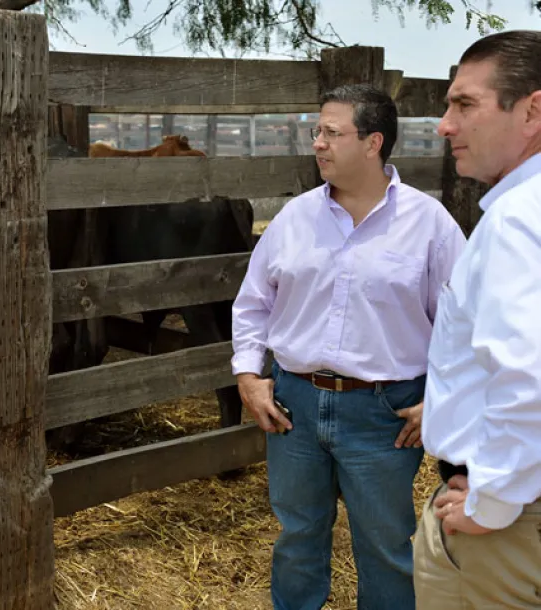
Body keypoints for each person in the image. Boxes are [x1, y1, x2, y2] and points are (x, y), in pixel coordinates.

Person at [231, 83, 466, 610]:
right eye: (317, 131)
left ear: (373, 142)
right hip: (295, 406)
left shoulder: (430, 226)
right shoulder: (294, 218)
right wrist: (249, 376)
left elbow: (465, 325)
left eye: (332, 133)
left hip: (386, 412)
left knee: (385, 545)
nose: (318, 143)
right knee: (297, 537)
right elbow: (252, 304)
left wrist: (442, 400)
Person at [415, 30, 541, 609]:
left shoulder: (517, 220)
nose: (445, 124)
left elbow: (529, 375)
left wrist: (490, 502)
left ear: (532, 110)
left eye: (465, 104)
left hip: (506, 530)